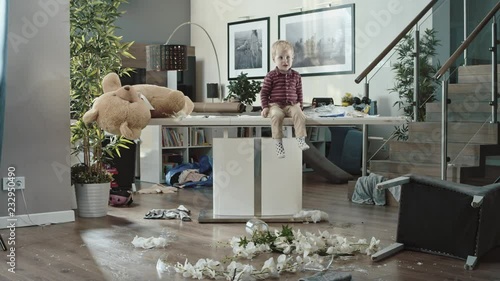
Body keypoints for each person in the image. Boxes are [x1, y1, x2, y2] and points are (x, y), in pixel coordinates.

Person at [260, 40, 309, 159]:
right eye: (280, 57)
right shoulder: (271, 75)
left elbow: (299, 92)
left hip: (292, 105)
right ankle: (278, 144)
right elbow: (264, 93)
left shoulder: (296, 75)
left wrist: (300, 106)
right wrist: (265, 107)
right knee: (276, 116)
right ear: (274, 59)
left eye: (288, 57)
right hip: (275, 105)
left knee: (300, 114)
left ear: (292, 58)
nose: (285, 60)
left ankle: (300, 139)